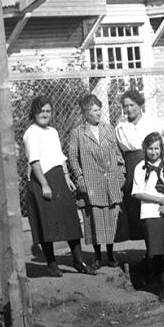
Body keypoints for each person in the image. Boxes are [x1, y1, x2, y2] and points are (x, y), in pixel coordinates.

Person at [21, 95, 93, 276]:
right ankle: (52, 265)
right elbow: (34, 162)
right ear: (34, 113)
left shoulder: (52, 131)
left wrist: (67, 177)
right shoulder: (31, 133)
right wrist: (45, 185)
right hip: (41, 180)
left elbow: (60, 157)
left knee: (70, 219)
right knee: (48, 224)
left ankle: (79, 261)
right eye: (41, 111)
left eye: (47, 111)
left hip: (59, 178)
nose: (44, 114)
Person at [65, 93, 124, 268]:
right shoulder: (78, 133)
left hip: (110, 179)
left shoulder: (108, 128)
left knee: (111, 217)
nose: (98, 113)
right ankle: (98, 256)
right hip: (91, 181)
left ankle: (111, 254)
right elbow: (72, 157)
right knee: (96, 218)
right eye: (94, 110)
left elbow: (117, 153)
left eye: (99, 109)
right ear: (85, 113)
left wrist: (121, 174)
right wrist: (80, 178)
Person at [131, 130, 164, 300]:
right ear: (144, 149)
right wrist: (159, 201)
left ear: (161, 149)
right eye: (150, 149)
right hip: (151, 214)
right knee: (157, 253)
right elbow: (137, 193)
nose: (153, 152)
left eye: (156, 149)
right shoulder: (140, 168)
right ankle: (162, 289)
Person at [113, 88, 161, 244]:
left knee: (153, 204)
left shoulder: (152, 121)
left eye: (132, 105)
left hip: (151, 162)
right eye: (126, 106)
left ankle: (159, 251)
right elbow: (119, 150)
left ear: (140, 104)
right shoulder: (120, 126)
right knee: (137, 207)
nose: (129, 109)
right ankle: (149, 252)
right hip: (132, 165)